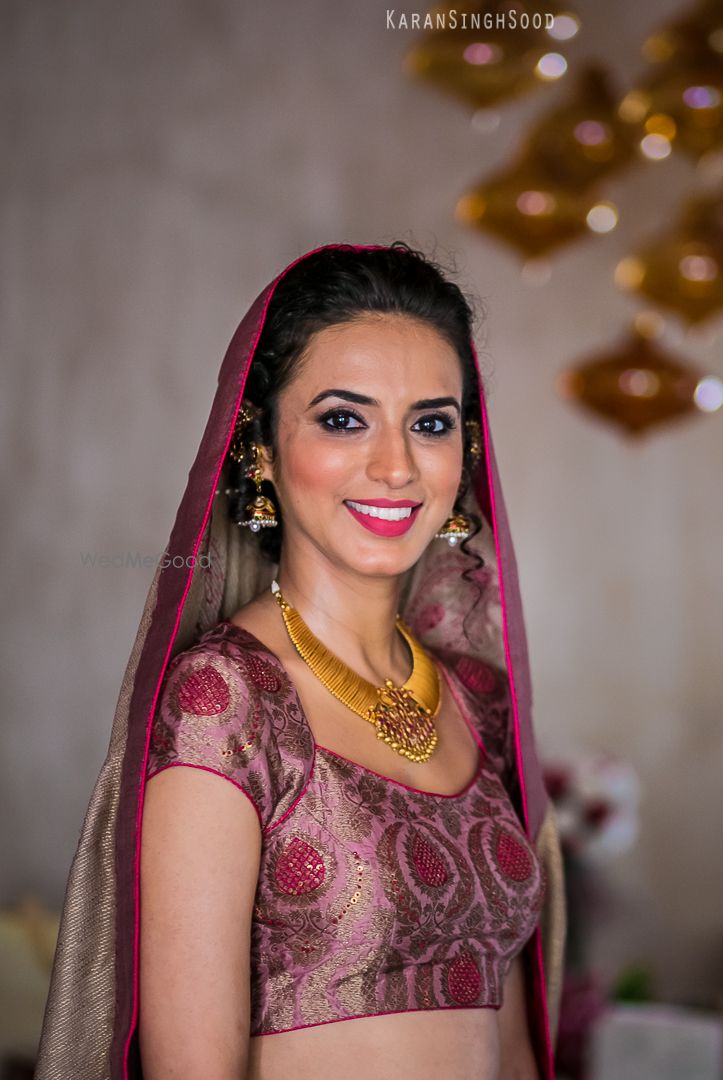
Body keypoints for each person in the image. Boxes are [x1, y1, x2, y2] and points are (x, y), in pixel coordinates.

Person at [35, 242, 566, 1080]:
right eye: (342, 418)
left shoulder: (474, 698)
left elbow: (509, 1043)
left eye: (430, 423)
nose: (394, 465)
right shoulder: (228, 702)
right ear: (262, 451)